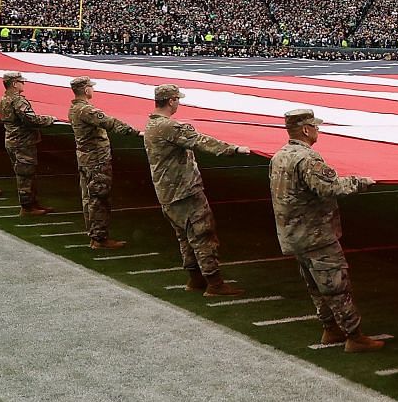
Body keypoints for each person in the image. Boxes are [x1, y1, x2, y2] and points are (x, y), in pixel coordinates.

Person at [269, 107, 381, 352]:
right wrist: (360, 182)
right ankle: (354, 336)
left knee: (315, 286)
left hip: (293, 234)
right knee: (336, 286)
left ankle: (330, 328)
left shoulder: (280, 156)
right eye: (315, 127)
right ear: (306, 129)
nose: (318, 130)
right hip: (315, 234)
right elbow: (330, 187)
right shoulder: (307, 159)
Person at [143, 83, 254, 296]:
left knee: (185, 237)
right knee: (203, 234)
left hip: (167, 192)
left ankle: (195, 279)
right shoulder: (169, 127)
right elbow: (201, 141)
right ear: (172, 101)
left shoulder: (152, 125)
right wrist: (233, 149)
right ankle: (215, 283)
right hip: (184, 191)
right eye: (177, 100)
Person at [67, 77, 137, 250]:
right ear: (85, 89)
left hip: (85, 158)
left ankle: (94, 234)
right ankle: (99, 238)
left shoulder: (74, 108)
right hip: (96, 159)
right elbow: (109, 122)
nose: (93, 89)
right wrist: (132, 131)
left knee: (89, 197)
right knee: (99, 197)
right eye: (91, 87)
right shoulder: (86, 110)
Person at [0, 72, 56, 216]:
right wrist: (49, 120)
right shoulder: (18, 101)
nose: (24, 84)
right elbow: (30, 120)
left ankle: (32, 203)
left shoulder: (4, 99)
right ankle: (27, 207)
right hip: (22, 142)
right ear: (14, 84)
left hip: (13, 140)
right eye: (21, 82)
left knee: (26, 174)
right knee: (25, 175)